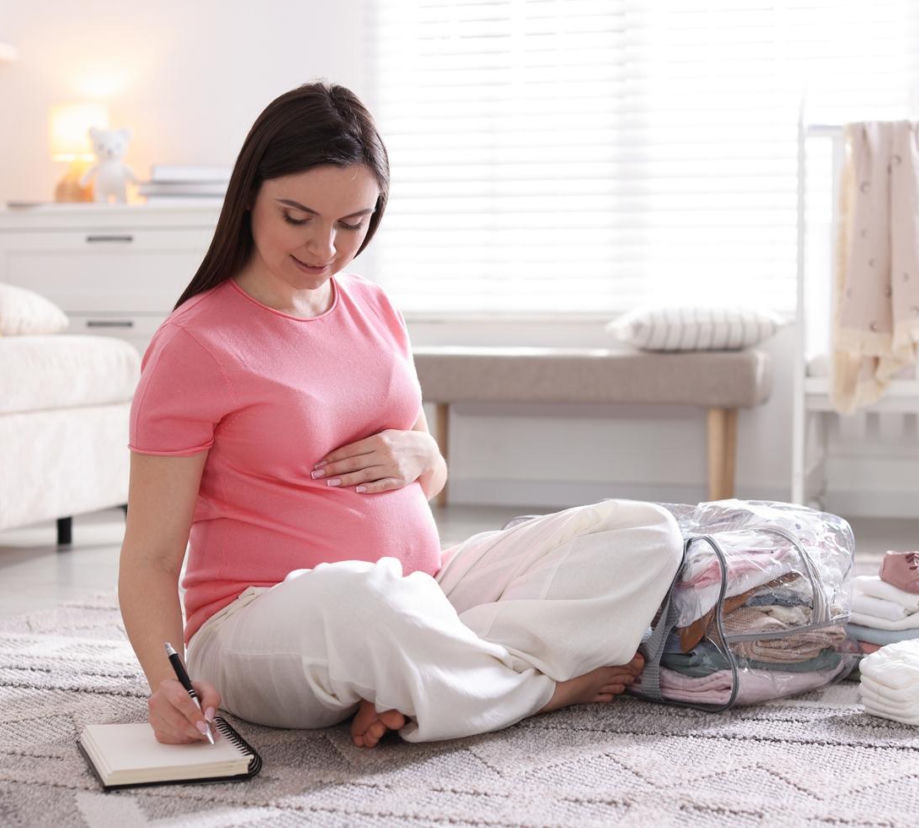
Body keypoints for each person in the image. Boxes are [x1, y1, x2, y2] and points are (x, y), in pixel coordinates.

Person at [119, 82, 683, 749]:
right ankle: (541, 687)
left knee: (646, 531)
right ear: (249, 196)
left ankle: (428, 681)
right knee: (366, 602)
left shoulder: (375, 310)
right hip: (264, 626)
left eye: (351, 224)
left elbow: (430, 474)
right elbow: (152, 556)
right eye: (298, 217)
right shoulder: (197, 342)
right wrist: (171, 683)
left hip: (425, 590)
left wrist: (426, 455)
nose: (324, 247)